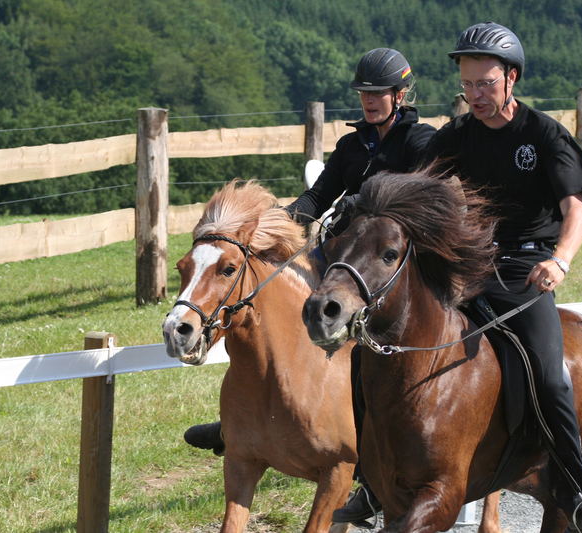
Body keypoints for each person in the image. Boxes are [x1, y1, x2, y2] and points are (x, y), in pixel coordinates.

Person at [183, 46, 436, 526]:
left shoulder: (421, 141)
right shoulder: (353, 145)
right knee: (269, 296)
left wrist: (360, 200)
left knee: (366, 335)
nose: (369, 101)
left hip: (388, 261)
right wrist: (277, 222)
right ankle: (240, 424)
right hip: (340, 254)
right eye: (364, 93)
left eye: (378, 93)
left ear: (400, 95)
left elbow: (410, 194)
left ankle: (372, 431)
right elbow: (318, 196)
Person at [423, 22, 582, 533]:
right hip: (468, 264)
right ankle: (373, 481)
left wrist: (560, 260)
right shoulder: (457, 137)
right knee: (390, 335)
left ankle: (580, 490)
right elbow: (415, 186)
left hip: (527, 268)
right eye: (466, 87)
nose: (475, 96)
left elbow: (575, 210)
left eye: (485, 84)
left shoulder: (544, 134)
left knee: (550, 370)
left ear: (512, 78)